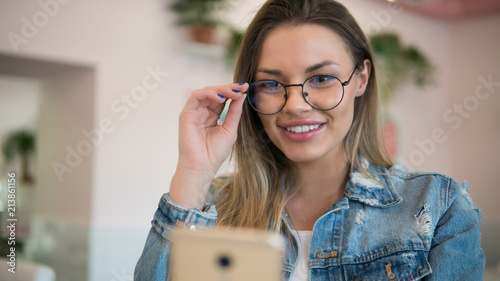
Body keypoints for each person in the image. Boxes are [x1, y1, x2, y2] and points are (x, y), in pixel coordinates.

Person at [134, 0, 486, 280]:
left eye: (321, 78)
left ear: (361, 78)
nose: (296, 106)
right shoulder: (210, 208)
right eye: (271, 84)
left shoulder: (439, 207)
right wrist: (194, 172)